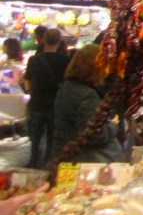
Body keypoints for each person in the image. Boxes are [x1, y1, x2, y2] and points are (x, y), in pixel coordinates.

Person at [51, 43, 123, 164]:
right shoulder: (87, 95)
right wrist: (113, 125)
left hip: (66, 155)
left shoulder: (66, 88)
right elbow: (93, 136)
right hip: (83, 160)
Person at [22, 28, 69, 168]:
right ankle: (48, 168)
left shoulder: (34, 60)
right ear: (59, 42)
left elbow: (27, 83)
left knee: (33, 139)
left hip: (36, 104)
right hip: (55, 105)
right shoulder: (65, 60)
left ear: (43, 40)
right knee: (53, 140)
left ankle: (32, 165)